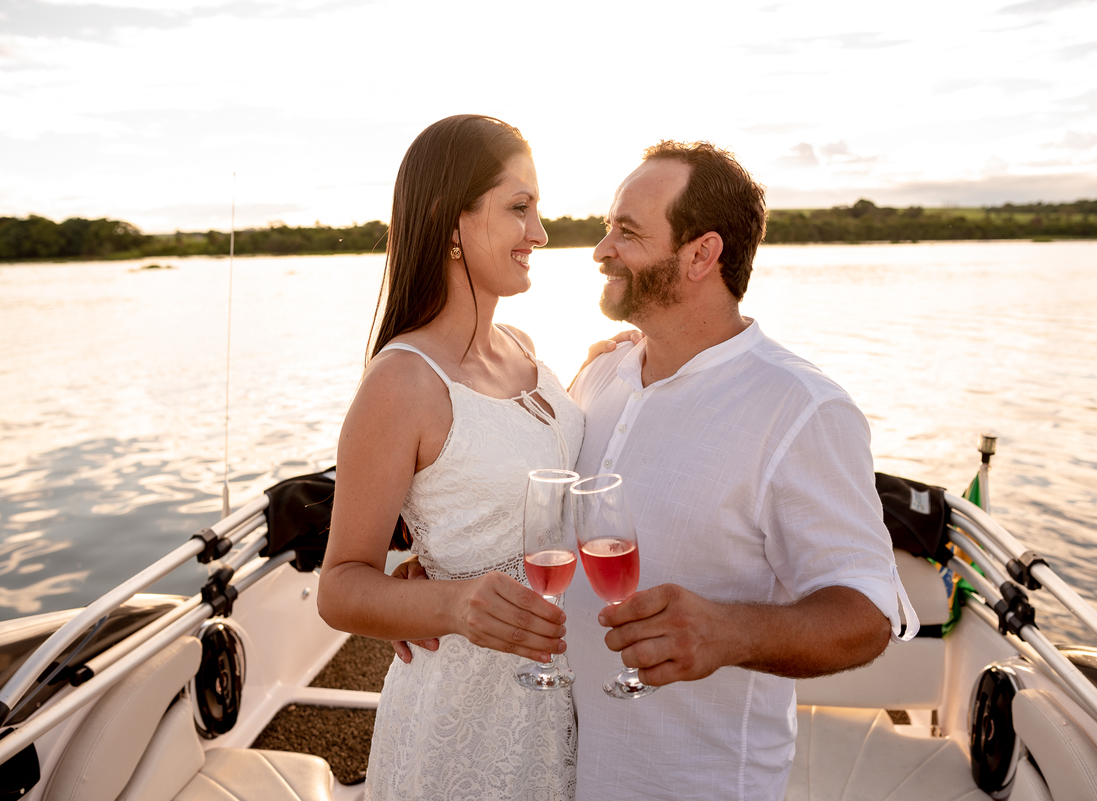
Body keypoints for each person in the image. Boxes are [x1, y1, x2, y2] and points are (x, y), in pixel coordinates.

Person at [563, 141, 918, 801]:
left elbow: (867, 612)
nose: (601, 248)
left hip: (695, 784)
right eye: (609, 226)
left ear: (701, 254)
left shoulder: (801, 408)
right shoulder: (597, 374)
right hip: (562, 773)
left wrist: (730, 631)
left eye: (628, 232)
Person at [316, 115, 582, 801]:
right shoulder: (401, 382)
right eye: (518, 208)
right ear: (449, 221)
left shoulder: (523, 346)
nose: (540, 233)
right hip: (471, 715)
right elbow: (341, 586)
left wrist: (616, 368)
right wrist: (452, 601)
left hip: (571, 695)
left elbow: (540, 466)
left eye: (537, 209)